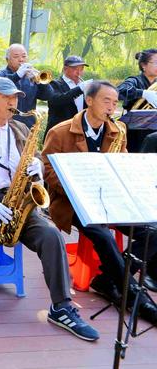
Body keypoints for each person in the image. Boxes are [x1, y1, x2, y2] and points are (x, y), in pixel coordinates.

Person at [0, 77, 98, 341]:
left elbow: (33, 159)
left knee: (51, 235)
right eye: (7, 97)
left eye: (15, 97)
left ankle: (61, 306)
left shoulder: (19, 129)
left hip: (16, 198)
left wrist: (36, 171)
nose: (13, 102)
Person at [42, 81, 157, 318]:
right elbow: (48, 172)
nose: (112, 108)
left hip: (109, 200)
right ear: (89, 100)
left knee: (153, 231)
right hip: (72, 203)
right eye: (107, 101)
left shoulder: (117, 131)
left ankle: (108, 278)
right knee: (103, 234)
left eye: (115, 103)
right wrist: (78, 190)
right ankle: (134, 295)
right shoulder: (60, 131)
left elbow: (121, 166)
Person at [0, 43, 54, 128]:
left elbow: (49, 95)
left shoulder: (31, 76)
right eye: (16, 57)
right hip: (5, 124)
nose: (21, 60)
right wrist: (17, 75)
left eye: (24, 56)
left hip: (28, 126)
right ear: (7, 59)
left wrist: (39, 82)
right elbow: (0, 87)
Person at [117, 48, 157, 153]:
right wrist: (143, 93)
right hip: (135, 132)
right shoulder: (134, 80)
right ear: (143, 65)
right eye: (156, 62)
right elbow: (119, 91)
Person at [45, 55, 93, 134]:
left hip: (80, 131)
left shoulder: (85, 86)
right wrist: (79, 89)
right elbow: (56, 101)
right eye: (75, 69)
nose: (79, 72)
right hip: (59, 132)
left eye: (81, 69)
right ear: (65, 69)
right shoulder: (55, 84)